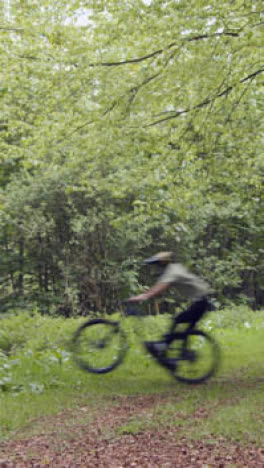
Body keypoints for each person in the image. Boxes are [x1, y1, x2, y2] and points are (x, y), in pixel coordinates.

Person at [128, 251, 212, 360]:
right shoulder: (173, 268)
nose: (156, 267)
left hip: (201, 301)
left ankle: (165, 347)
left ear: (163, 263)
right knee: (182, 326)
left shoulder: (172, 272)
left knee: (178, 321)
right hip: (201, 300)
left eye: (158, 264)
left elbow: (158, 289)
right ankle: (178, 351)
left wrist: (141, 297)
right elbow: (161, 288)